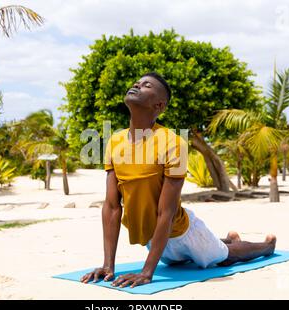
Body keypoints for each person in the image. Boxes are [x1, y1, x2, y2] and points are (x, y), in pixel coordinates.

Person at [80, 72, 277, 288]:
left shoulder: (172, 142)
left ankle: (266, 246)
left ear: (159, 105)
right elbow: (111, 207)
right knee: (196, 255)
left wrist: (147, 272)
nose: (137, 85)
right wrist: (108, 266)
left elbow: (168, 212)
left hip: (183, 233)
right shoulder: (115, 141)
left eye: (146, 85)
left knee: (226, 256)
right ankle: (226, 239)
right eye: (137, 82)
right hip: (155, 243)